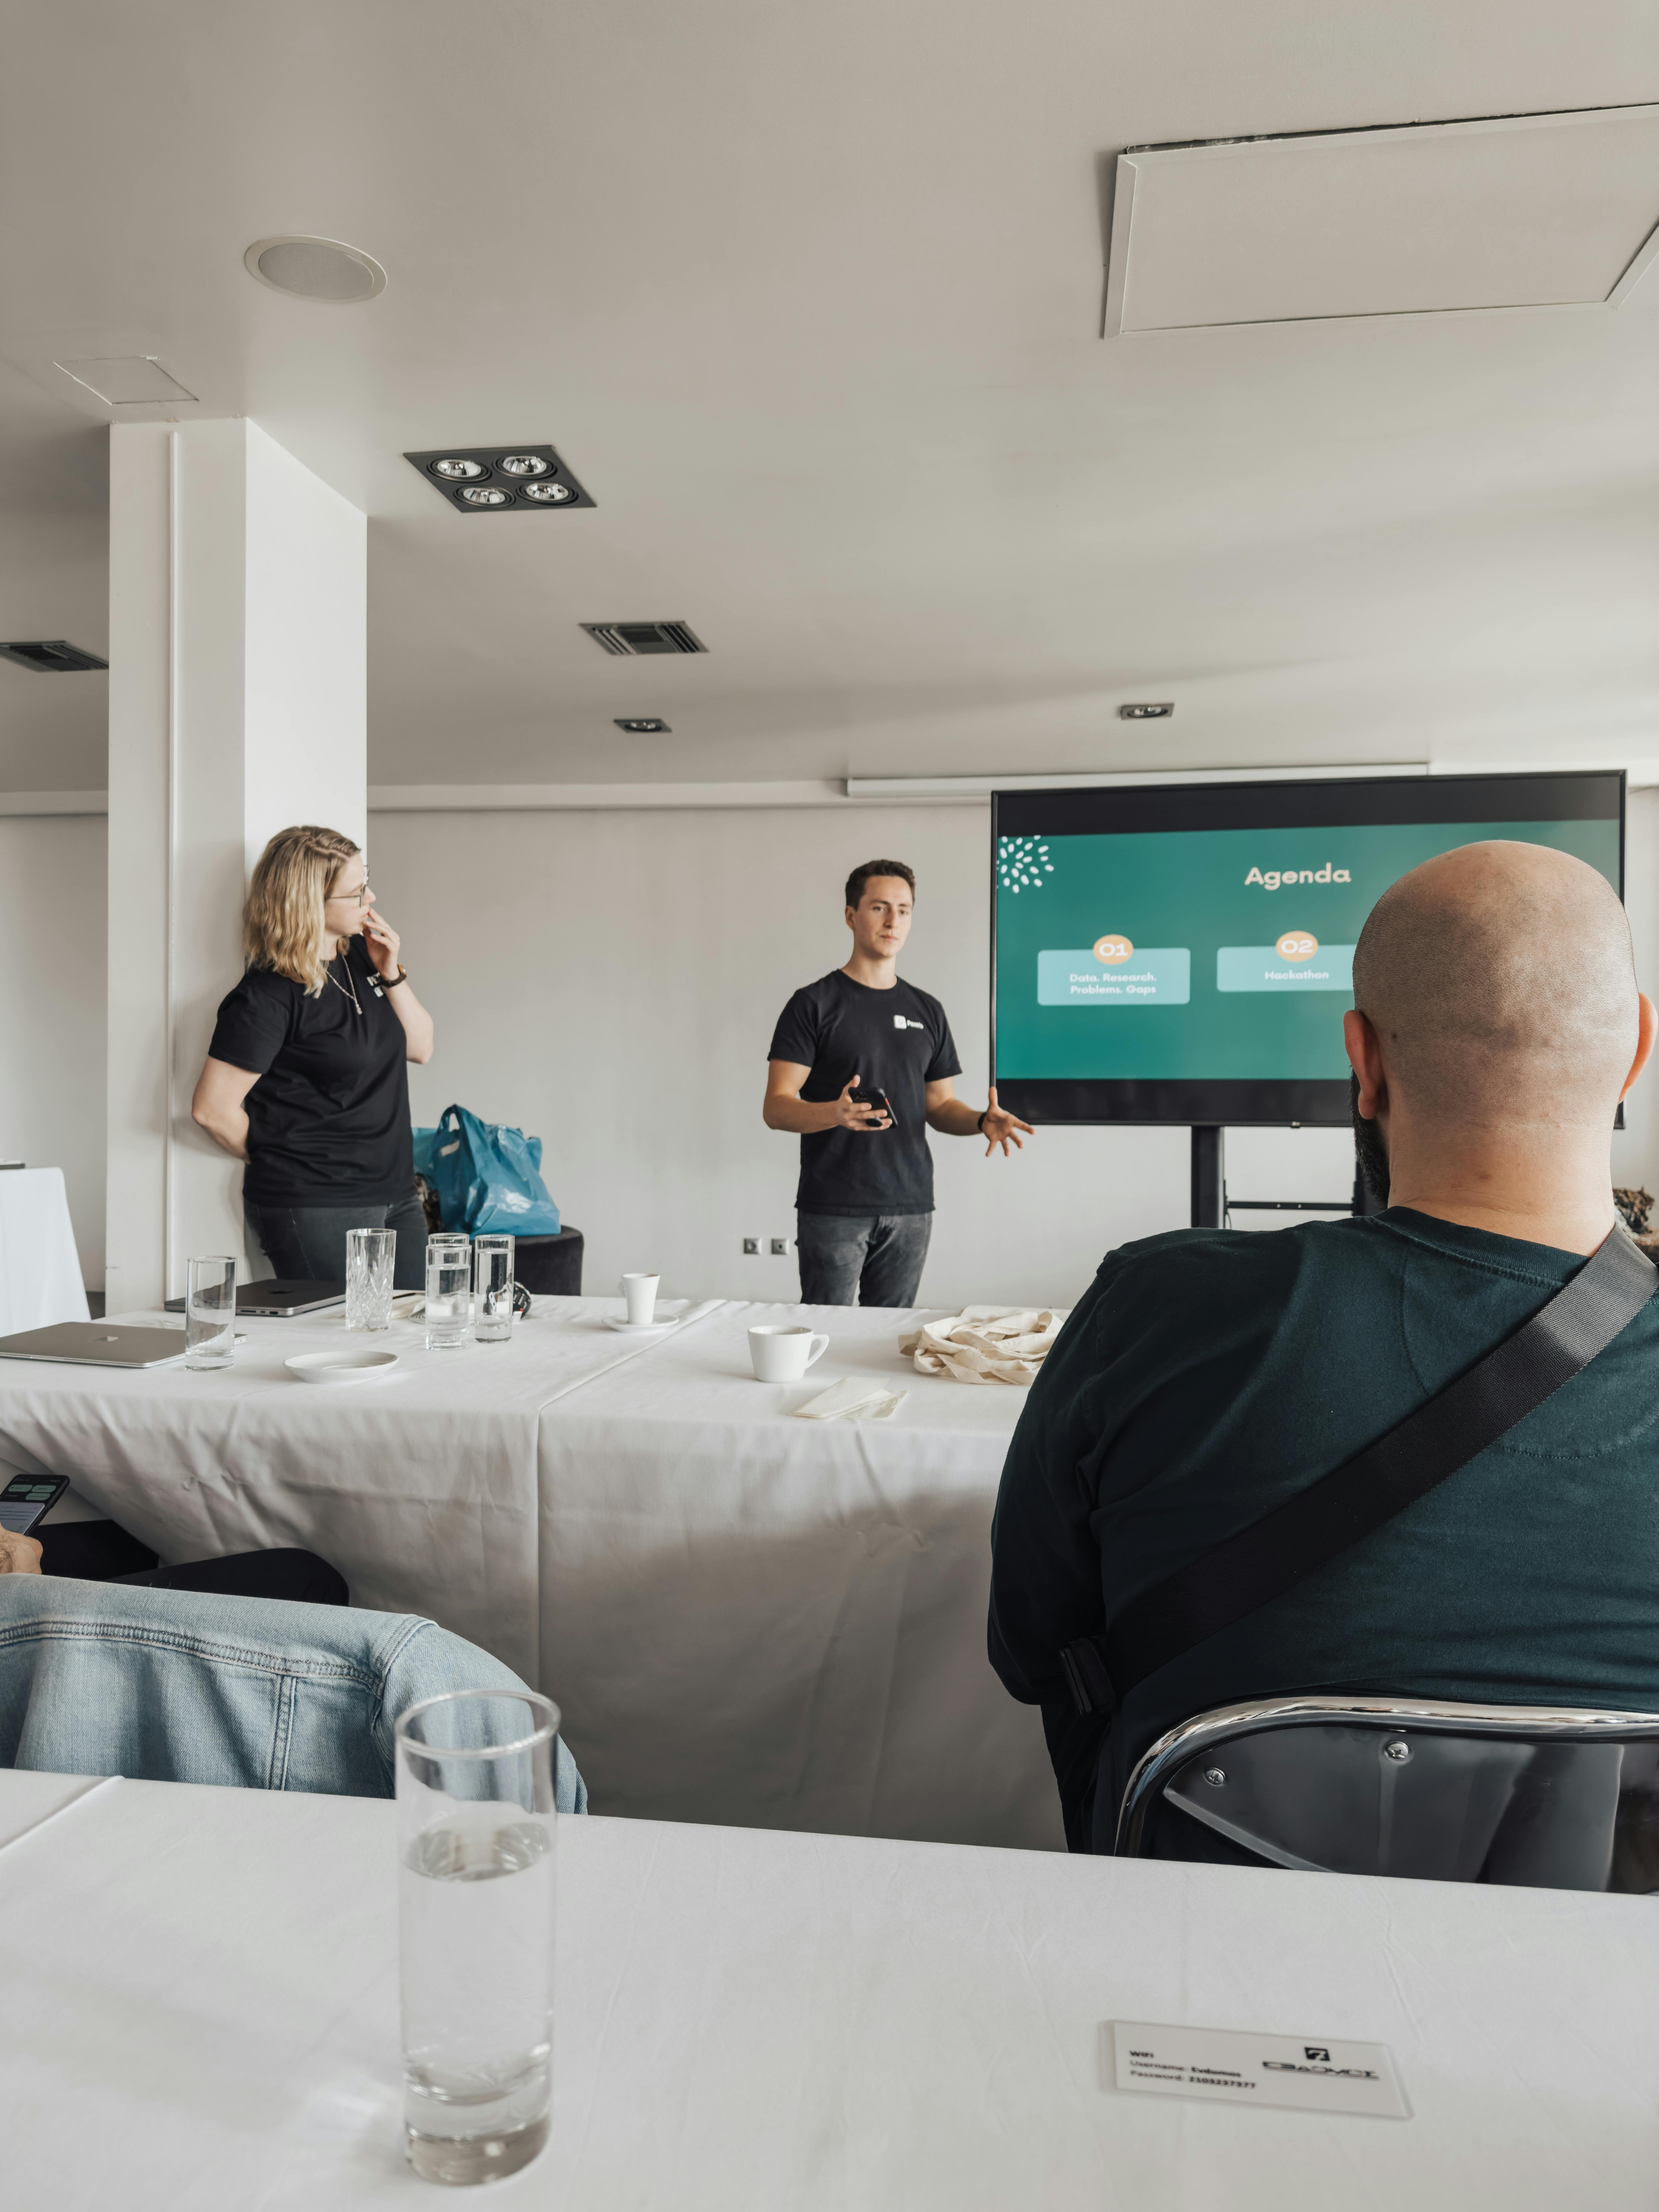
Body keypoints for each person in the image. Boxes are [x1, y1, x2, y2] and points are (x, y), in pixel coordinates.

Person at [988, 841, 1659, 1857]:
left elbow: (1031, 1655)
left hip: (1184, 1971)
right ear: (1636, 1048)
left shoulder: (1158, 1307)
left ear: (1362, 1059)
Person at [764, 859, 1034, 1306]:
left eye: (904, 910)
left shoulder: (928, 1009)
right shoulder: (812, 1004)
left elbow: (940, 1106)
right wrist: (834, 1112)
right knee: (825, 1336)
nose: (894, 921)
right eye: (880, 908)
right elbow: (776, 1107)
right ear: (852, 916)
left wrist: (981, 1121)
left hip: (911, 1205)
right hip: (834, 1205)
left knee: (886, 1344)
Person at [190, 825, 435, 1289]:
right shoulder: (267, 997)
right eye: (357, 891)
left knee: (410, 1335)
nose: (372, 897)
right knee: (346, 1345)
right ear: (310, 904)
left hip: (397, 1194)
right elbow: (211, 1110)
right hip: (318, 1205)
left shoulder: (363, 956)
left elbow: (421, 1048)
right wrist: (290, 1160)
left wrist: (392, 973)